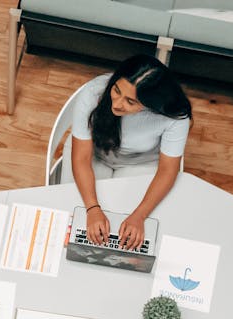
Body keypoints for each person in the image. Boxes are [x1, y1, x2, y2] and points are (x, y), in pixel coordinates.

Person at [64, 54, 192, 251]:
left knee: (135, 230)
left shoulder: (174, 116)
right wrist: (92, 208)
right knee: (75, 217)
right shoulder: (93, 93)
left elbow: (168, 169)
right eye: (116, 90)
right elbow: (81, 158)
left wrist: (139, 215)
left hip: (140, 162)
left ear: (152, 105)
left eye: (131, 102)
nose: (116, 104)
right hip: (94, 155)